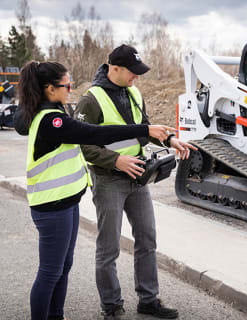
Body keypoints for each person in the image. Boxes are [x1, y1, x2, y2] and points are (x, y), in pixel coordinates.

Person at [14, 61, 176, 320]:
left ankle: (56, 316)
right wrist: (144, 130)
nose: (71, 89)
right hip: (51, 206)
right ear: (49, 89)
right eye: (67, 85)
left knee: (63, 267)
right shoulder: (51, 120)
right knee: (50, 272)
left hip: (66, 202)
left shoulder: (54, 109)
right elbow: (95, 134)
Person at [74, 44, 196, 319]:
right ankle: (112, 306)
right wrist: (116, 161)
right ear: (114, 68)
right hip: (109, 180)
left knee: (147, 239)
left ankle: (148, 300)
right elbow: (84, 145)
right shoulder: (90, 100)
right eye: (133, 72)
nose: (136, 78)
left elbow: (145, 128)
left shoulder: (134, 92)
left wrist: (170, 140)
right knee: (109, 247)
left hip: (138, 178)